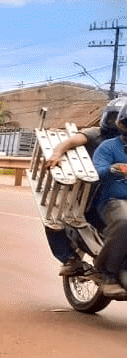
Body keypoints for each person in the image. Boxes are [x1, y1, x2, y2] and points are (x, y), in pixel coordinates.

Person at [40, 97, 124, 276]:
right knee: (53, 217)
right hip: (88, 190)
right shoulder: (96, 134)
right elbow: (71, 141)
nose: (114, 123)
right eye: (112, 118)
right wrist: (57, 153)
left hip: (113, 191)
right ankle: (69, 259)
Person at [90, 103, 127, 298]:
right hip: (113, 201)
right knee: (124, 222)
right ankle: (106, 274)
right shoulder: (109, 146)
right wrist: (112, 169)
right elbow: (97, 169)